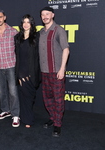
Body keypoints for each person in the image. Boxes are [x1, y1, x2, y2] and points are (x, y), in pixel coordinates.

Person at [39, 7, 70, 137]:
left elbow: (66, 49)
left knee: (58, 99)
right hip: (44, 71)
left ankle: (58, 124)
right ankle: (52, 117)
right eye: (42, 15)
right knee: (47, 99)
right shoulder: (40, 32)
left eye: (47, 14)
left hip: (56, 71)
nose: (45, 16)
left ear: (53, 15)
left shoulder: (59, 30)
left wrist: (62, 68)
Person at [0, 9, 20, 127]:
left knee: (13, 92)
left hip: (11, 65)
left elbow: (19, 49)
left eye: (0, 17)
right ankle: (5, 110)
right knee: (2, 91)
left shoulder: (13, 31)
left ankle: (15, 114)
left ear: (4, 17)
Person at [14, 14, 40, 128]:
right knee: (23, 97)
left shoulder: (36, 37)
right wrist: (19, 74)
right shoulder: (17, 37)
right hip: (21, 71)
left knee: (29, 97)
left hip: (32, 72)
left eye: (28, 22)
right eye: (24, 22)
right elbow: (18, 57)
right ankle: (27, 119)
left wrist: (30, 73)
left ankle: (27, 118)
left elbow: (38, 57)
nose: (25, 24)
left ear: (31, 24)